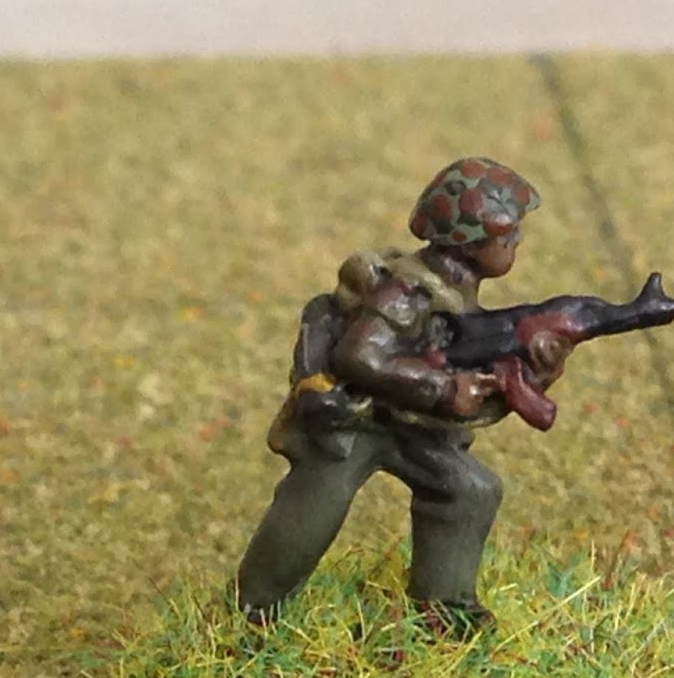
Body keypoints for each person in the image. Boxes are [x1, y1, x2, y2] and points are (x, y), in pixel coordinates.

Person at [235, 157, 570, 633]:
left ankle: (444, 610)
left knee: (469, 491)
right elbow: (359, 356)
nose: (516, 240)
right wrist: (444, 389)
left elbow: (466, 369)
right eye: (507, 234)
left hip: (407, 425)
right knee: (315, 503)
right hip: (350, 422)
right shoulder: (407, 291)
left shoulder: (458, 292)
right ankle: (252, 613)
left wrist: (533, 373)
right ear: (468, 241)